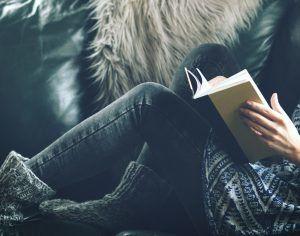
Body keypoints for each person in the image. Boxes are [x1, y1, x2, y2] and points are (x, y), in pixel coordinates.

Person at [0, 43, 300, 236]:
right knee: (208, 60)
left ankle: (9, 196)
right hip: (275, 172)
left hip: (266, 215)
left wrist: (295, 149)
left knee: (149, 102)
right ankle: (129, 203)